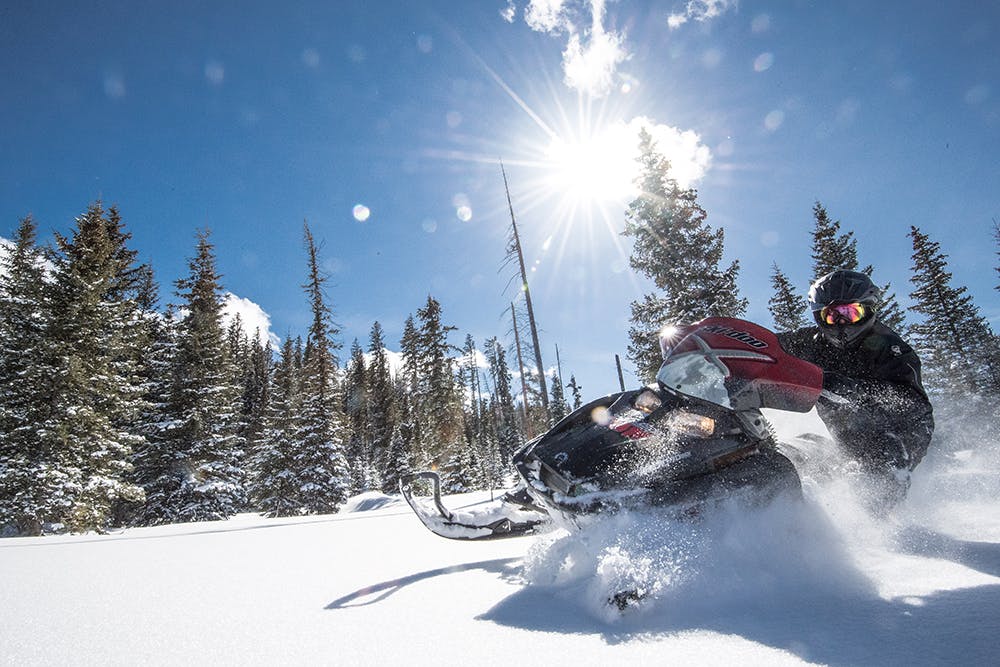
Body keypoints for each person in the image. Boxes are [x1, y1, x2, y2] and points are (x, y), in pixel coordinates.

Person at [776, 269, 934, 509]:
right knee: (791, 451)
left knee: (879, 456)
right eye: (831, 315)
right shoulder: (810, 342)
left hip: (898, 437)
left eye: (849, 313)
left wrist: (856, 389)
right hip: (845, 440)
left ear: (868, 309)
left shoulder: (891, 348)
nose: (840, 322)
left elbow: (914, 404)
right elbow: (769, 345)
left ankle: (874, 535)